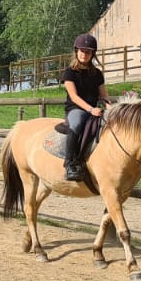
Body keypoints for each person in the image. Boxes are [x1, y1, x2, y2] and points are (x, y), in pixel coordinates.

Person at [60, 33, 109, 181]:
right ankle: (70, 163)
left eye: (88, 52)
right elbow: (74, 96)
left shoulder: (97, 74)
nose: (84, 54)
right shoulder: (69, 73)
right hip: (76, 109)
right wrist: (90, 109)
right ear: (76, 51)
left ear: (92, 54)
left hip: (94, 109)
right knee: (77, 122)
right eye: (82, 51)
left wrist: (110, 106)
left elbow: (103, 95)